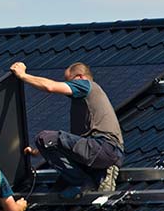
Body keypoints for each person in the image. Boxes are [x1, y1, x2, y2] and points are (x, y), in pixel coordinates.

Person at [10, 61, 124, 199]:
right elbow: (71, 143)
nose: (68, 85)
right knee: (60, 185)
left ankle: (84, 182)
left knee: (44, 138)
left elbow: (50, 87)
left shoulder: (86, 85)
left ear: (80, 77)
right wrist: (39, 151)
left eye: (69, 81)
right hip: (104, 152)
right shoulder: (87, 105)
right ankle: (99, 174)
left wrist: (23, 75)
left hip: (103, 148)